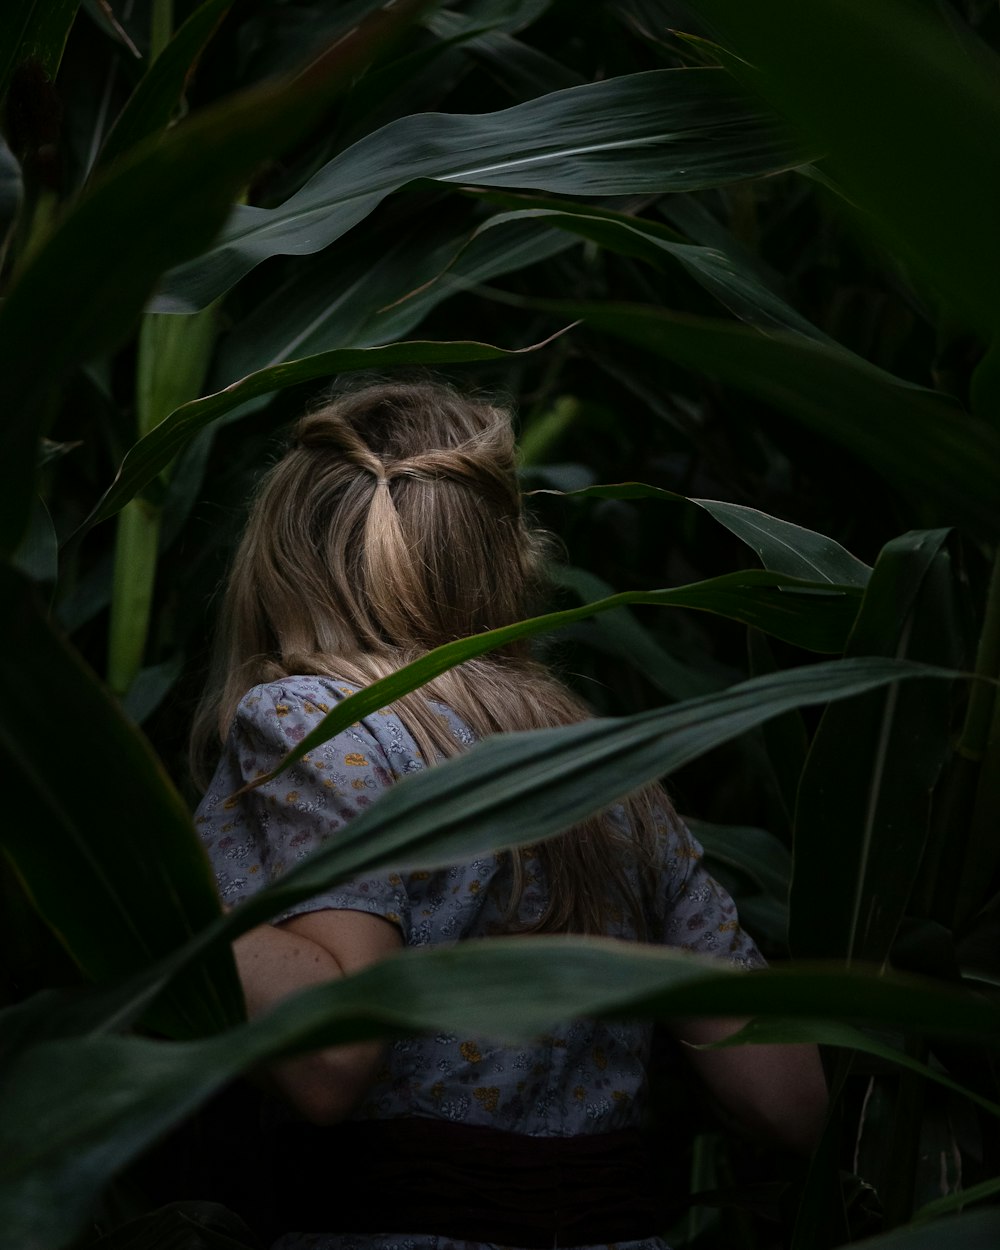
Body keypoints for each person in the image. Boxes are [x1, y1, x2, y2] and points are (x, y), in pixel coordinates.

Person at [191, 380, 827, 1250]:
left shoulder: (314, 720)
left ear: (280, 557)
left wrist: (165, 899)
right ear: (498, 557)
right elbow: (792, 1100)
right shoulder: (604, 771)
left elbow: (330, 1058)